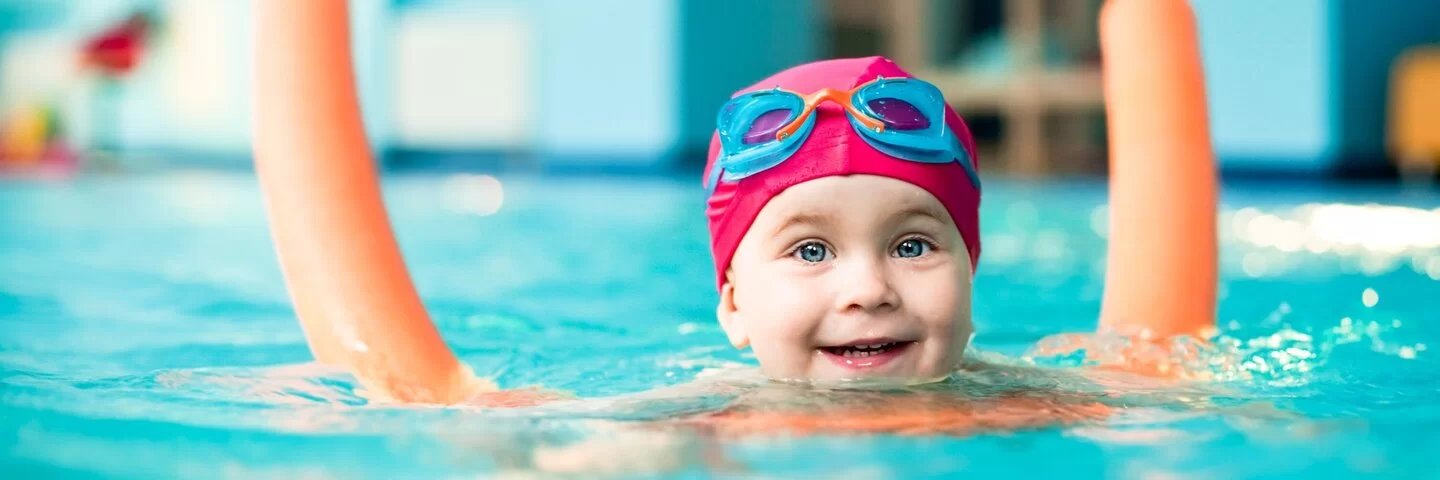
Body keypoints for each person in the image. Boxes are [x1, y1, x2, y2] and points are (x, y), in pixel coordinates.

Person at [251, 0, 1219, 439]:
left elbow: (1169, 385)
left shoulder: (1032, 402)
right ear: (732, 306)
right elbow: (452, 413)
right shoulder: (712, 418)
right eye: (809, 250)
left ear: (974, 275)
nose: (869, 286)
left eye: (915, 243)